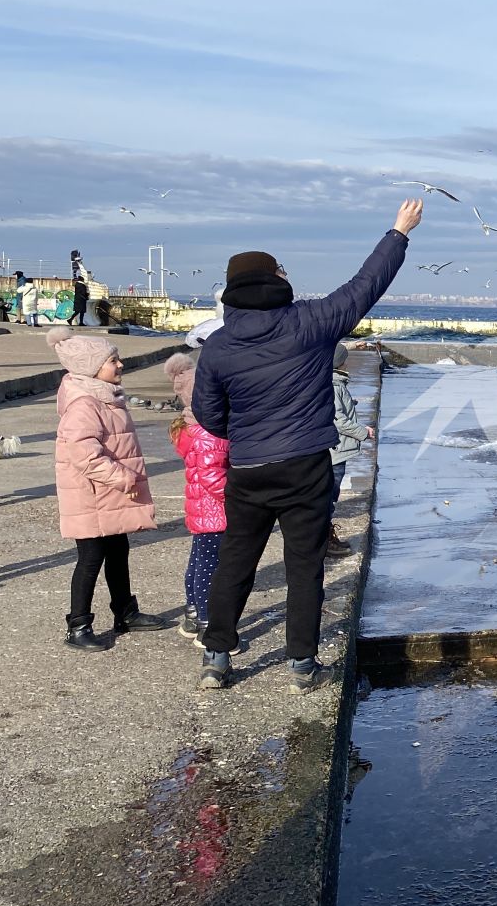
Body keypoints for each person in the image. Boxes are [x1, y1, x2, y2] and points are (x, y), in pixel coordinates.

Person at [193, 199, 422, 693]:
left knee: (236, 559)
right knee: (304, 564)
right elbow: (365, 287)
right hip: (306, 464)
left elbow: (208, 415)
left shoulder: (217, 346)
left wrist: (246, 434)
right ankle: (301, 665)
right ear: (274, 278)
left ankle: (217, 657)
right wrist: (398, 232)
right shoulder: (309, 322)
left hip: (249, 467)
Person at [50, 328, 162, 649]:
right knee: (90, 558)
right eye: (113, 360)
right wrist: (122, 477)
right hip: (91, 497)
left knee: (118, 550)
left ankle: (125, 612)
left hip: (107, 497)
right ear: (91, 367)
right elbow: (85, 456)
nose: (121, 364)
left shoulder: (105, 395)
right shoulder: (85, 404)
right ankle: (78, 625)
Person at [167, 352, 227, 647]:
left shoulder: (193, 428)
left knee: (200, 560)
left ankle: (192, 612)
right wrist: (238, 497)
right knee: (210, 566)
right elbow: (214, 477)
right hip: (215, 510)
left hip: (202, 509)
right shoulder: (208, 433)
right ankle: (206, 622)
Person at [326, 343, 373, 558]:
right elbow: (338, 420)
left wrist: (350, 403)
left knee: (327, 495)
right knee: (329, 496)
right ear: (340, 362)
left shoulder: (334, 383)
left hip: (333, 450)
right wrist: (362, 432)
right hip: (335, 451)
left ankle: (323, 535)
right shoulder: (334, 385)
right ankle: (325, 539)